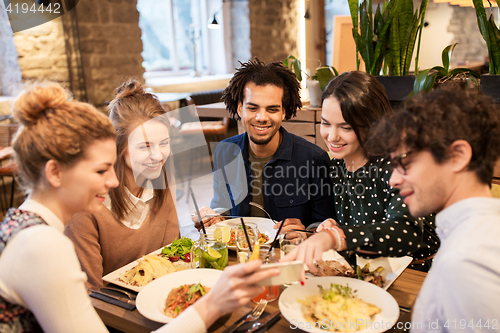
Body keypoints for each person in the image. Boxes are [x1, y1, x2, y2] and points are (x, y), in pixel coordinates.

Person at [0, 82, 279, 333]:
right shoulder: (41, 245)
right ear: (55, 173)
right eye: (100, 170)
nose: (112, 180)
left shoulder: (26, 227)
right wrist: (211, 306)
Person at [364, 83, 500, 331]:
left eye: (405, 162)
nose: (393, 179)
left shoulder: (466, 262)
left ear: (457, 156)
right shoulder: (476, 233)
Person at [282, 71, 438, 271]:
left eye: (346, 127)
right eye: (326, 123)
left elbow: (406, 232)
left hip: (416, 278)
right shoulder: (337, 166)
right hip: (367, 273)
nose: (332, 136)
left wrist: (336, 236)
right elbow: (351, 229)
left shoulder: (398, 165)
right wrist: (322, 229)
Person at [195, 58, 335, 233]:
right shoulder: (224, 152)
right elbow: (222, 209)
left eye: (272, 109)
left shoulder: (314, 159)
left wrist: (307, 232)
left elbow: (326, 225)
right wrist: (214, 217)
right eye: (253, 108)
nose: (262, 117)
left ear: (284, 111)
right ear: (240, 109)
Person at [64, 81, 182, 288]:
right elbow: (91, 291)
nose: (158, 155)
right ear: (119, 147)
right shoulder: (86, 205)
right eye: (145, 146)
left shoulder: (161, 181)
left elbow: (172, 258)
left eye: (164, 143)